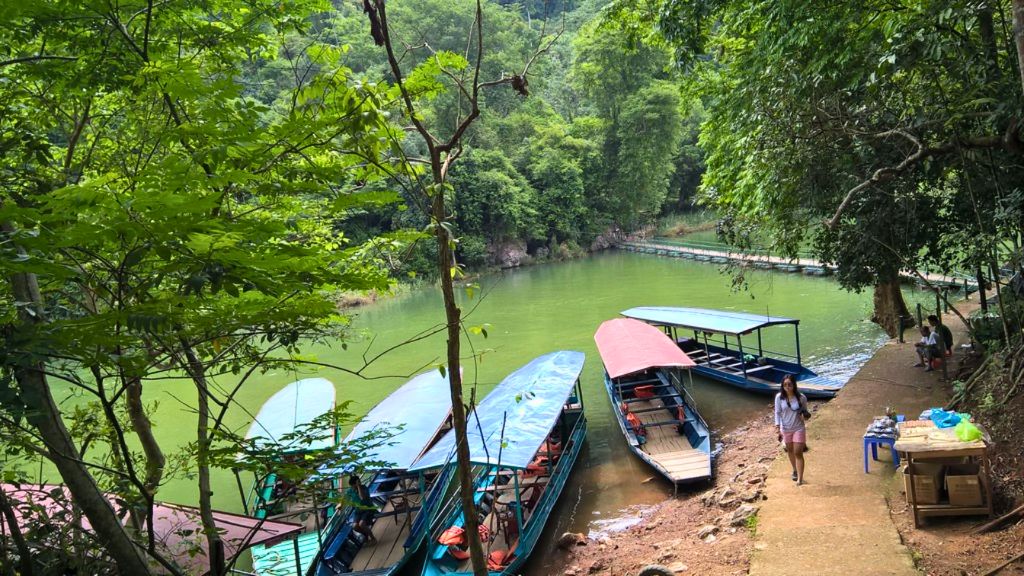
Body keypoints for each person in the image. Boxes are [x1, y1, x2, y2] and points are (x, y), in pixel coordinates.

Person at [774, 374, 808, 485]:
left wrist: (804, 416)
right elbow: (777, 413)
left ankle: (800, 479)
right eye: (785, 385)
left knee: (798, 452)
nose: (787, 387)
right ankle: (794, 469)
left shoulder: (801, 397)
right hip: (786, 429)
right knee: (790, 451)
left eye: (789, 384)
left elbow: (805, 413)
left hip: (799, 428)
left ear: (794, 385)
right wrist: (777, 427)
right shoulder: (779, 397)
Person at [346, 475, 377, 544]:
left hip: (367, 509)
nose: (353, 487)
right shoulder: (350, 491)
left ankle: (372, 537)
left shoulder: (364, 488)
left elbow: (362, 497)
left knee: (362, 524)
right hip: (358, 511)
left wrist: (358, 486)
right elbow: (346, 499)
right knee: (355, 526)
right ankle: (366, 534)